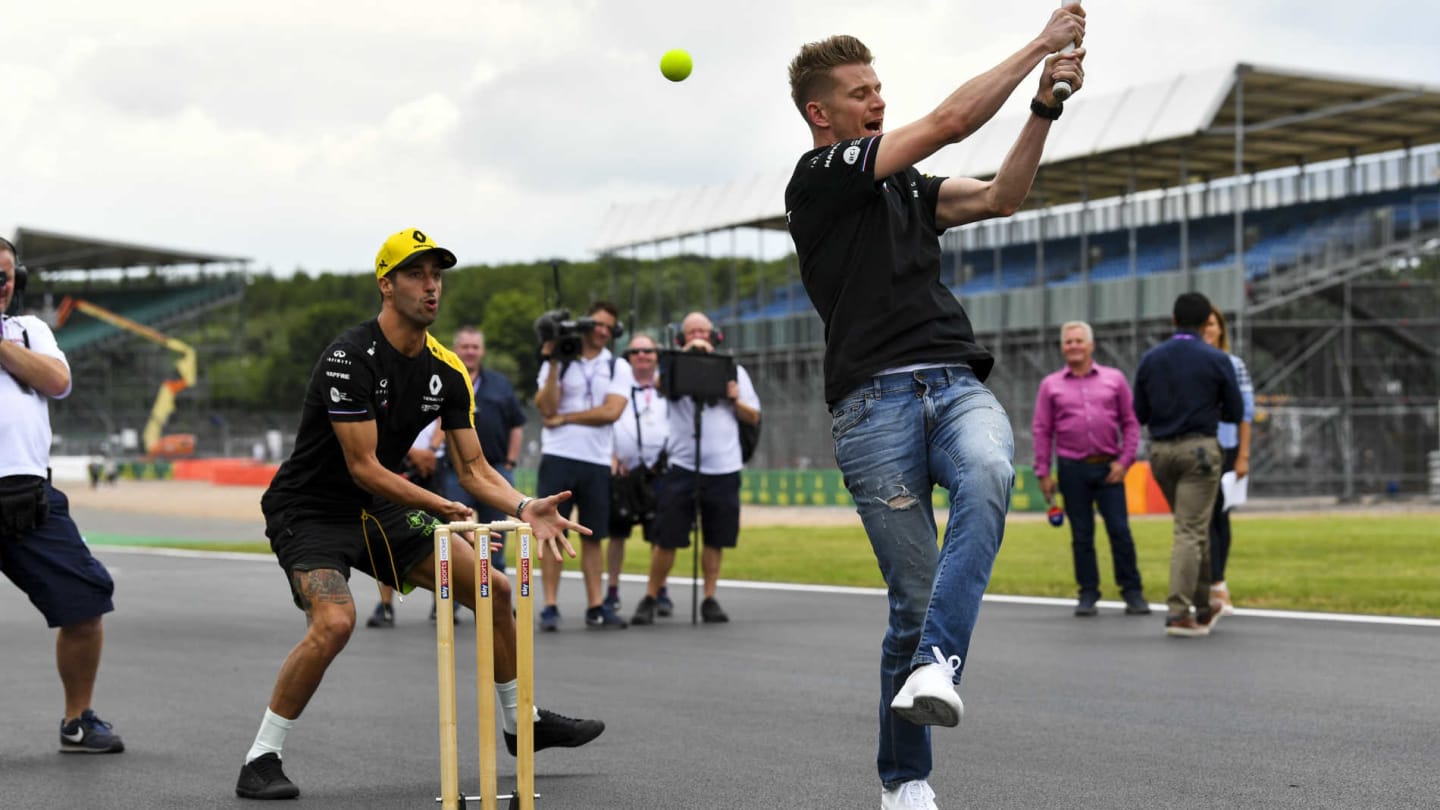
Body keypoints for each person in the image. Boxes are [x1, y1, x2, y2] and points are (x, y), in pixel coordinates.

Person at [782, 12, 1085, 808]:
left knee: (989, 468)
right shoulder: (819, 179)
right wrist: (1040, 47)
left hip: (953, 384)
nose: (877, 99)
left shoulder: (908, 189)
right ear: (823, 114)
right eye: (860, 93)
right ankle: (906, 781)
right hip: (869, 406)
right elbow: (952, 122)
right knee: (913, 601)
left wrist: (1043, 109)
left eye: (880, 88)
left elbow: (1001, 197)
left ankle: (939, 666)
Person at [235, 228, 604, 801]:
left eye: (437, 276)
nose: (431, 287)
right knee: (334, 623)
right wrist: (436, 502)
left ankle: (520, 723)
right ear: (386, 284)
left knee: (495, 591)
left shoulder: (448, 371)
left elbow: (476, 468)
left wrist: (527, 507)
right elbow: (361, 465)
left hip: (382, 506)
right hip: (310, 507)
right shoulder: (348, 358)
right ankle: (261, 757)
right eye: (416, 275)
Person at [1, 236, 125, 754]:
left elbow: (57, 381)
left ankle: (77, 720)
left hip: (28, 495)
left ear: (17, 281)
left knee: (85, 602)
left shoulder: (30, 331)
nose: (0, 284)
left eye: (5, 275)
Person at [631, 313, 760, 625]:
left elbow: (753, 416)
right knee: (667, 535)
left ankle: (710, 596)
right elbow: (660, 385)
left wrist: (734, 399)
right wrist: (686, 359)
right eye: (692, 332)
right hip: (683, 464)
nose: (698, 336)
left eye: (703, 331)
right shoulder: (672, 366)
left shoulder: (733, 369)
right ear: (682, 339)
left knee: (716, 536)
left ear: (714, 336)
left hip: (723, 466)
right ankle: (651, 594)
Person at [1133, 292, 1244, 639]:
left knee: (1195, 525)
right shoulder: (1216, 359)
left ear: (1174, 320)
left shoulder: (1152, 359)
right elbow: (1236, 412)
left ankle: (1202, 603)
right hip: (1200, 450)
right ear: (1202, 323)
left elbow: (1139, 412)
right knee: (1191, 531)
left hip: (1162, 452)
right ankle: (1179, 612)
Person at [1033, 321, 1148, 617]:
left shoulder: (1115, 379)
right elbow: (1042, 430)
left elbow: (1131, 423)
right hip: (1072, 470)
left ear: (1091, 345)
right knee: (1081, 535)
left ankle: (1133, 592)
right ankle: (1087, 593)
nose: (1073, 346)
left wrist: (1125, 462)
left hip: (1109, 469)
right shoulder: (1051, 385)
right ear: (1062, 347)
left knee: (1120, 531)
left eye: (1078, 341)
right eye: (1068, 341)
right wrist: (1043, 471)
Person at [535, 301, 633, 630]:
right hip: (559, 456)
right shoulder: (562, 360)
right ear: (586, 324)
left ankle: (596, 605)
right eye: (599, 324)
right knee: (550, 531)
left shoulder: (617, 365)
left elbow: (611, 411)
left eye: (610, 327)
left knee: (593, 535)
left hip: (596, 460)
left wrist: (565, 417)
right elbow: (546, 407)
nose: (603, 331)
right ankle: (549, 605)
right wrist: (551, 361)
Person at [435, 326, 527, 570]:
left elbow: (517, 424)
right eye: (465, 346)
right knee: (454, 538)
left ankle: (496, 604)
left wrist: (510, 461)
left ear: (482, 351)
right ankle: (447, 606)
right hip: (456, 471)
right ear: (456, 349)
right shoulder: (445, 379)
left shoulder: (500, 384)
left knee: (494, 537)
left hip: (495, 470)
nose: (470, 352)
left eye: (475, 347)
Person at [607, 333, 670, 615]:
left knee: (660, 533)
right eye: (635, 352)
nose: (642, 356)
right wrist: (610, 455)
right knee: (617, 532)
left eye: (648, 351)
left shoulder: (667, 386)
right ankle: (612, 590)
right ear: (628, 357)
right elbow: (606, 421)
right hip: (624, 470)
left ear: (657, 355)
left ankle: (660, 589)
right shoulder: (617, 387)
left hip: (658, 470)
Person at [1201, 306, 1253, 615]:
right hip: (1197, 447)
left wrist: (1244, 455)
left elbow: (1245, 412)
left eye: (1212, 324)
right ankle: (1210, 583)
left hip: (1227, 446)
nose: (1207, 329)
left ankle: (1218, 583)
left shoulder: (1234, 365)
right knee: (1201, 520)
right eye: (1203, 324)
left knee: (1220, 517)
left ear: (1221, 328)